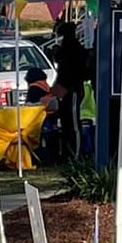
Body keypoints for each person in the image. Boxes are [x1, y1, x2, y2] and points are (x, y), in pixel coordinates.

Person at [52, 20, 88, 160]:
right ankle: (67, 151)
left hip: (73, 90)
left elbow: (72, 71)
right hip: (65, 90)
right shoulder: (65, 48)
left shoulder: (74, 49)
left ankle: (76, 153)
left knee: (73, 123)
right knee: (66, 122)